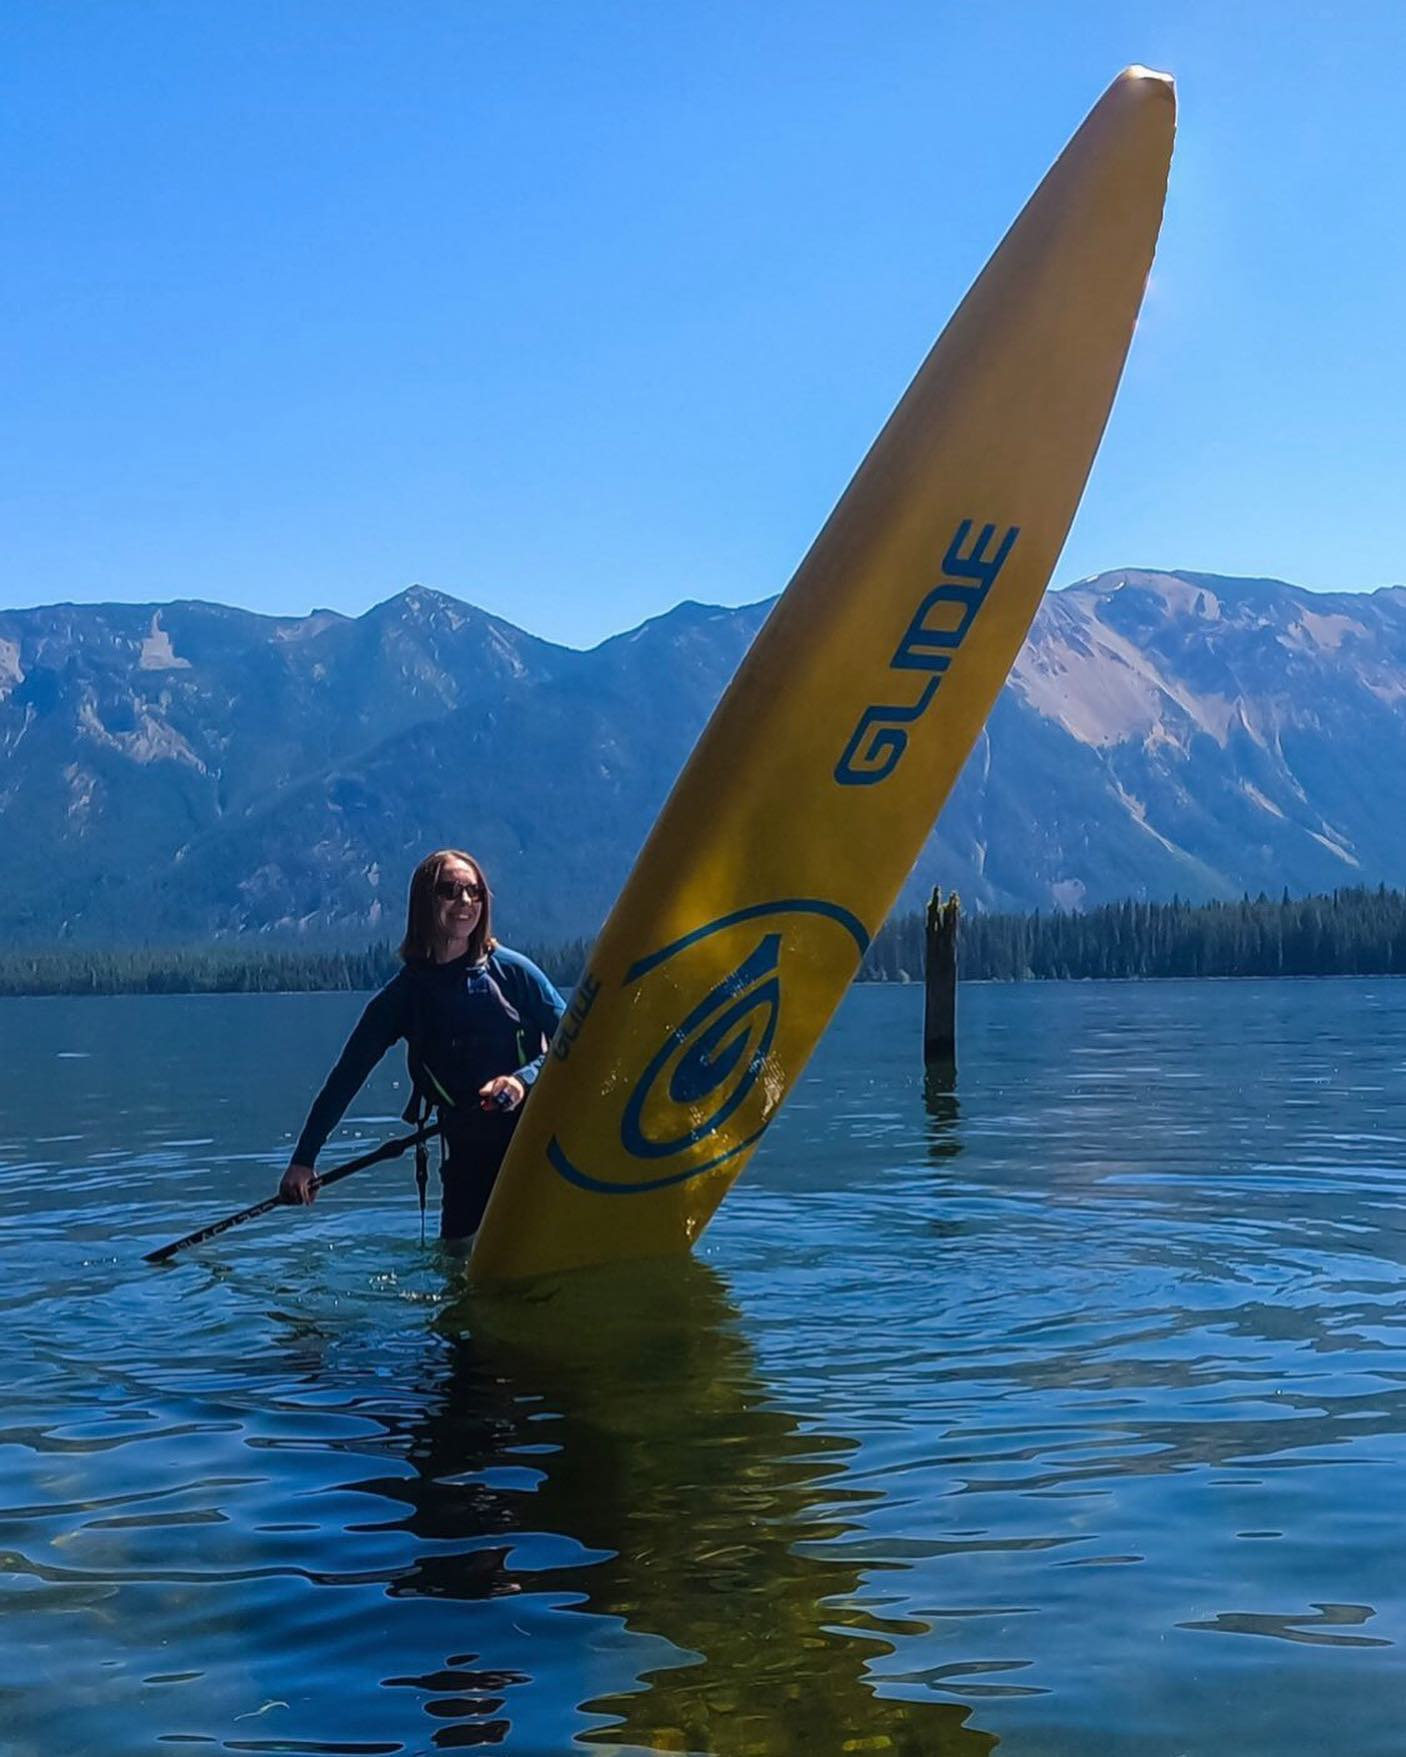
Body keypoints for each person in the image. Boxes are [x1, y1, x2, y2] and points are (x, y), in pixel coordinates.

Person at [280, 849, 566, 1241]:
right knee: (458, 1270)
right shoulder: (403, 997)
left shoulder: (514, 973)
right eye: (450, 890)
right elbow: (345, 1078)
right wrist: (303, 1160)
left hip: (534, 1143)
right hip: (466, 1154)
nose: (465, 901)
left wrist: (522, 1080)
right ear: (424, 903)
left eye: (474, 891)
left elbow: (577, 1042)